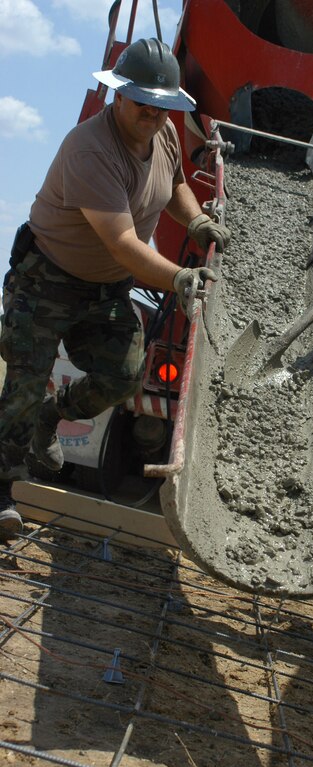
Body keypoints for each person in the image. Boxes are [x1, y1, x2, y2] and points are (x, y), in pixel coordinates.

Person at [0, 38, 230, 538]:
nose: (153, 113)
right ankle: (3, 491)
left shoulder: (163, 132)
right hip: (47, 281)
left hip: (104, 289)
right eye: (143, 103)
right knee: (23, 382)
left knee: (123, 377)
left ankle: (52, 417)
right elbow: (123, 243)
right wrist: (178, 277)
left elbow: (175, 185)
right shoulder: (90, 148)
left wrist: (194, 224)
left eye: (162, 104)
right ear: (118, 96)